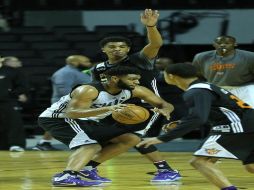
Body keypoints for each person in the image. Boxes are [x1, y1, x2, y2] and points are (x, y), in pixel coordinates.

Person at [38, 66, 172, 187]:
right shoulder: (88, 90)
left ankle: (88, 169)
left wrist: (166, 109)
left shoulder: (135, 90)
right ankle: (67, 176)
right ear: (114, 78)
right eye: (132, 79)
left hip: (86, 120)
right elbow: (72, 113)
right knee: (90, 146)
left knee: (131, 139)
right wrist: (109, 109)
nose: (136, 82)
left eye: (137, 79)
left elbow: (164, 104)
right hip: (58, 119)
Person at [89, 9, 181, 182]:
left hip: (147, 106)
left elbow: (155, 44)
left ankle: (167, 171)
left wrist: (151, 26)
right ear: (103, 49)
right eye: (113, 47)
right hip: (117, 106)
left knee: (137, 139)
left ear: (128, 49)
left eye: (122, 46)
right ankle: (90, 168)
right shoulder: (98, 68)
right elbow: (98, 89)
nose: (118, 49)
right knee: (113, 138)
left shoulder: (139, 60)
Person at [137, 63, 254, 190]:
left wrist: (162, 138)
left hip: (237, 125)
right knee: (251, 166)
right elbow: (210, 113)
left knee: (199, 162)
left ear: (171, 76)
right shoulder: (207, 86)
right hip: (246, 122)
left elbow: (198, 118)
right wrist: (182, 124)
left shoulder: (196, 91)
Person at [33, 55, 93, 151]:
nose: (89, 63)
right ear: (74, 62)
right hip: (66, 102)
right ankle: (84, 143)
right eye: (86, 61)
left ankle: (44, 142)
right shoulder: (65, 72)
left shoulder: (77, 72)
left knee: (60, 123)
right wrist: (77, 101)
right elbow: (63, 89)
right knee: (61, 123)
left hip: (80, 101)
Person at [192, 35, 254, 107]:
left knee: (250, 111)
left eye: (227, 43)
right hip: (215, 89)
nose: (222, 45)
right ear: (214, 44)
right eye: (219, 43)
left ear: (235, 44)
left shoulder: (250, 56)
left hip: (243, 88)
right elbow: (196, 75)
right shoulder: (201, 57)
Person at [0, 56, 29, 151]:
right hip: (8, 101)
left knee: (14, 122)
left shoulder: (16, 72)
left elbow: (22, 87)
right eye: (16, 61)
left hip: (9, 101)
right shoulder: (14, 72)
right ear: (8, 62)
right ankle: (4, 146)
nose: (19, 62)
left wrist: (16, 94)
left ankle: (15, 144)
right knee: (10, 123)